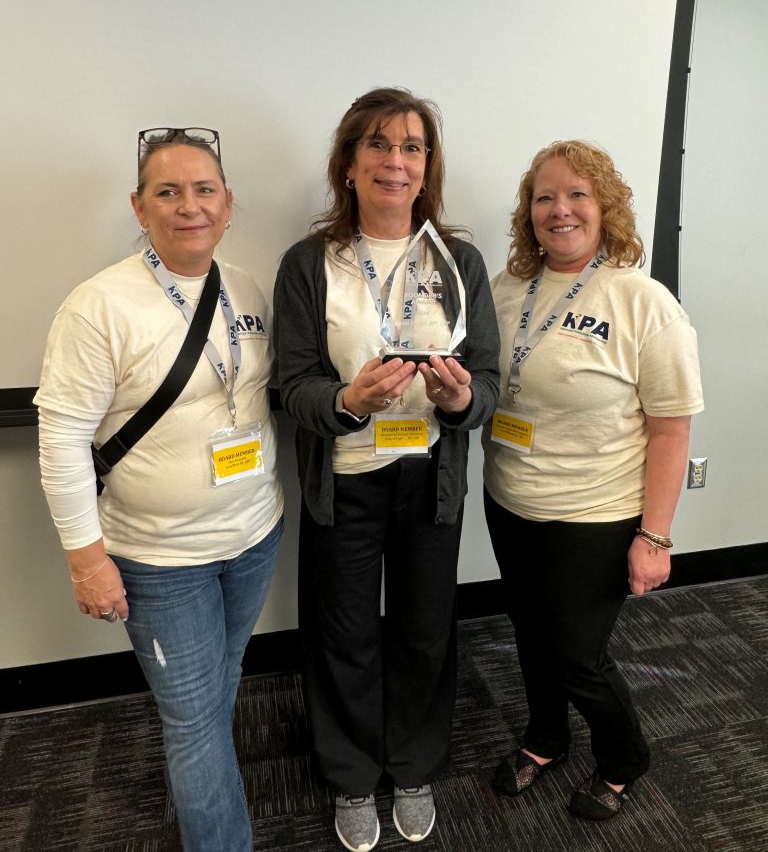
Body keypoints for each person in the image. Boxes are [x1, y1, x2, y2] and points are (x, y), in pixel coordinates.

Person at [35, 127, 284, 852]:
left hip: (252, 535)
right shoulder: (99, 305)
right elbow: (60, 440)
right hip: (157, 559)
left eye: (204, 190)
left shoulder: (246, 287)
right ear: (140, 208)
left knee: (219, 688)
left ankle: (203, 776)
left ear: (228, 204)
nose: (189, 206)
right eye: (168, 192)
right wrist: (87, 561)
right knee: (196, 718)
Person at [273, 87, 499, 851]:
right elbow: (292, 381)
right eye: (377, 145)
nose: (394, 162)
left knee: (425, 630)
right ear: (348, 164)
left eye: (411, 148)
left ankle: (414, 766)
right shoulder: (311, 263)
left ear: (427, 166)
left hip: (428, 477)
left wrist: (464, 396)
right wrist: (346, 398)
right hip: (344, 477)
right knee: (342, 633)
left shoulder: (458, 259)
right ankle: (348, 776)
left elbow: (489, 377)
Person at [482, 140, 704, 820]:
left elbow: (670, 429)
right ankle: (546, 737)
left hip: (596, 512)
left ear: (606, 208)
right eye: (545, 196)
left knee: (578, 653)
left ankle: (624, 756)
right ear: (529, 212)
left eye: (578, 195)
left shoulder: (642, 301)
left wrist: (655, 536)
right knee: (530, 629)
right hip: (511, 498)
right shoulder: (507, 289)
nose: (560, 210)